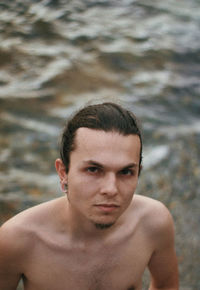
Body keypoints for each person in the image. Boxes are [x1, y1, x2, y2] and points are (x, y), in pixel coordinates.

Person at [0, 102, 179, 290]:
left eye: (126, 172)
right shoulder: (18, 241)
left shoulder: (153, 223)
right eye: (93, 169)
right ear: (63, 172)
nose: (111, 189)